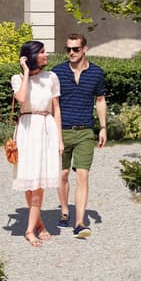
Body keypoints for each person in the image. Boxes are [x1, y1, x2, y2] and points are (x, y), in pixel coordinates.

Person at [53, 32, 108, 238]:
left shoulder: (96, 73)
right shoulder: (56, 72)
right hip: (61, 131)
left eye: (75, 49)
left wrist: (103, 127)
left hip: (85, 131)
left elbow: (100, 100)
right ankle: (65, 210)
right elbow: (52, 104)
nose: (71, 53)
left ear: (85, 49)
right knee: (63, 174)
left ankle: (80, 222)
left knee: (82, 175)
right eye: (68, 49)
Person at [11, 40, 61, 246]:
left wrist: (60, 138)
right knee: (29, 180)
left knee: (39, 183)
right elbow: (22, 99)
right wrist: (24, 71)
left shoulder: (51, 77)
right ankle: (39, 224)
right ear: (31, 56)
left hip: (46, 127)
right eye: (42, 52)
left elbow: (57, 109)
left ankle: (30, 230)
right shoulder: (17, 79)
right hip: (26, 129)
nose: (46, 55)